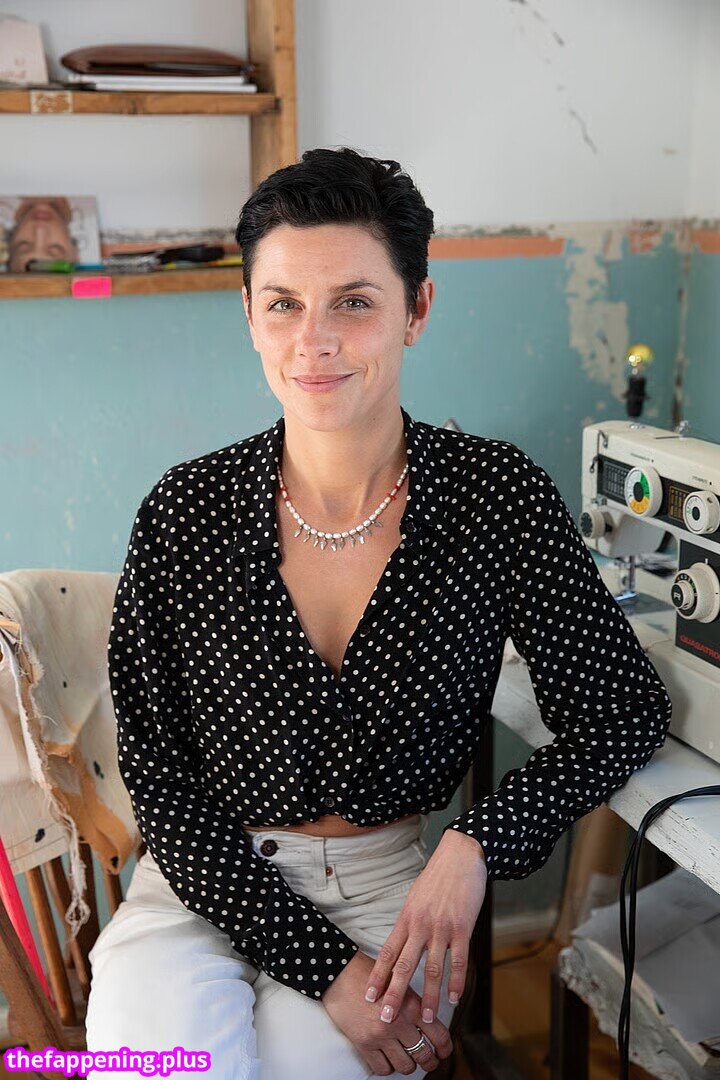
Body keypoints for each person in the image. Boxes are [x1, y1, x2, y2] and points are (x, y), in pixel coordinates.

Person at [85, 147, 673, 1079]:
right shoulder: (185, 511)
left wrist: (475, 845)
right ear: (249, 315)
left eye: (354, 302)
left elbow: (623, 710)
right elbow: (158, 778)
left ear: (417, 309)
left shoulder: (494, 498)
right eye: (283, 303)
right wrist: (323, 968)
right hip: (201, 884)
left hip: (387, 895)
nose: (313, 340)